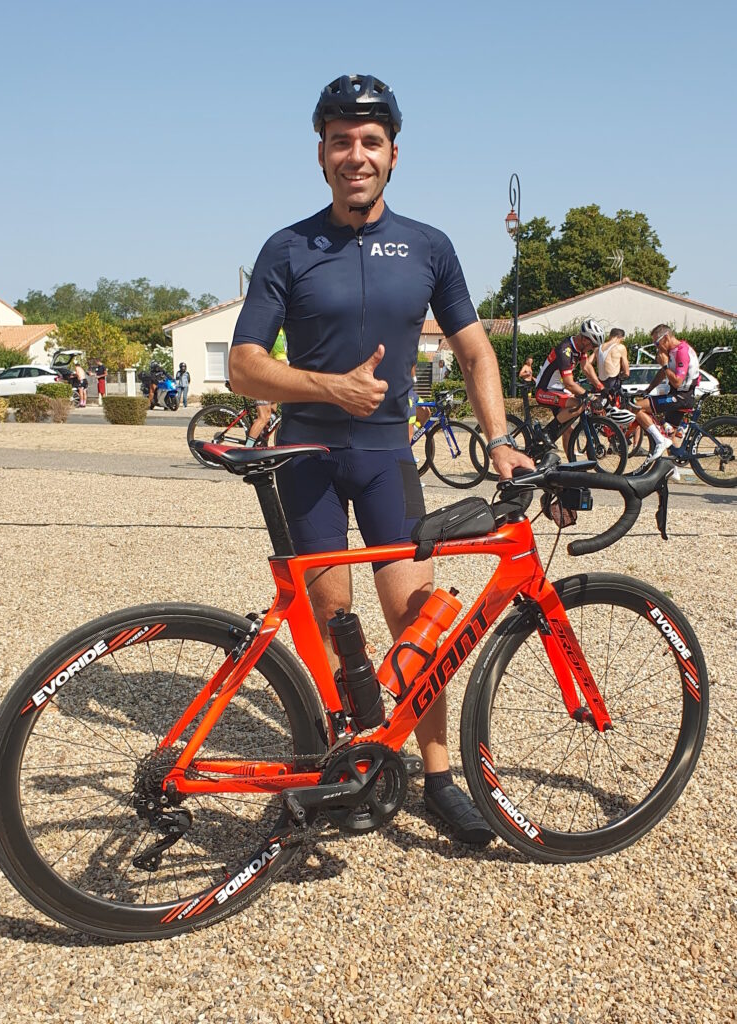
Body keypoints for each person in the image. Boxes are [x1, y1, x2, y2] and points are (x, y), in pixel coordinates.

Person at [229, 73, 531, 845]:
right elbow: (244, 364)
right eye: (340, 142)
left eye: (369, 142)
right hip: (306, 452)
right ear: (321, 155)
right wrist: (326, 385)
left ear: (393, 154)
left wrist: (499, 440)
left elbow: (472, 350)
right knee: (333, 619)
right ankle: (342, 765)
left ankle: (435, 775)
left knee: (416, 622)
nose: (354, 155)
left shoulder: (430, 247)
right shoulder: (287, 245)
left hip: (385, 453)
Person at [534, 319, 605, 456]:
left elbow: (586, 368)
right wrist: (588, 396)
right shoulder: (565, 350)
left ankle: (570, 465)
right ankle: (545, 432)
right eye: (592, 345)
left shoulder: (579, 349)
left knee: (568, 431)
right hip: (544, 391)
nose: (592, 349)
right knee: (579, 404)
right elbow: (569, 383)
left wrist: (600, 386)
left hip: (558, 390)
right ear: (585, 340)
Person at [633, 324, 700, 459]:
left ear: (666, 338)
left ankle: (659, 440)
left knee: (636, 407)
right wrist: (648, 390)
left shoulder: (681, 351)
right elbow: (662, 374)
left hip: (681, 397)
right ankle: (673, 468)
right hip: (677, 395)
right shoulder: (673, 351)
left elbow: (677, 382)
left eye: (657, 344)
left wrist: (664, 365)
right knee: (670, 434)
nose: (657, 348)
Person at [245, 329, 287, 447]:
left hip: (269, 381)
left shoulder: (281, 332)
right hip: (261, 381)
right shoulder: (277, 334)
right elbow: (282, 362)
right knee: (264, 417)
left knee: (272, 416)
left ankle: (262, 447)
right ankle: (247, 450)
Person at [588, 328, 629, 392]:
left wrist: (592, 377)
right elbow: (627, 372)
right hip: (613, 381)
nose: (621, 342)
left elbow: (588, 363)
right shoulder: (620, 347)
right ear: (619, 337)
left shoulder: (598, 348)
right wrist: (623, 376)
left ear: (610, 336)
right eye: (621, 340)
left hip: (600, 381)